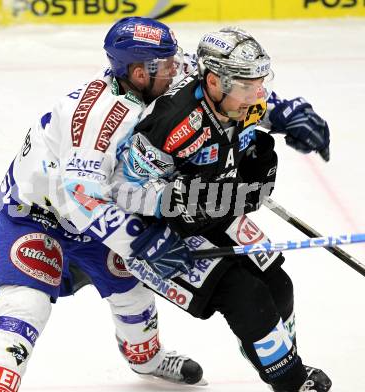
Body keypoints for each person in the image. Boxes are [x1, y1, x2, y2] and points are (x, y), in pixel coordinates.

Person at [0, 17, 205, 392]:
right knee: (24, 311)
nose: (175, 70)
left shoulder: (146, 83)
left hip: (92, 210)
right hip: (36, 217)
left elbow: (212, 78)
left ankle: (146, 360)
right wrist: (142, 243)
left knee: (133, 295)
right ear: (139, 73)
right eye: (165, 65)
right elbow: (81, 200)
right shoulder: (101, 117)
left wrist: (270, 108)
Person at [110, 27, 332, 392]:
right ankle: (291, 382)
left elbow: (263, 108)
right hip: (161, 234)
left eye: (260, 83)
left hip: (213, 210)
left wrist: (289, 115)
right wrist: (173, 200)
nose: (257, 94)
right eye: (248, 86)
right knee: (249, 299)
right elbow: (122, 188)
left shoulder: (235, 98)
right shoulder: (174, 121)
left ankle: (272, 355)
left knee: (279, 285)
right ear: (214, 81)